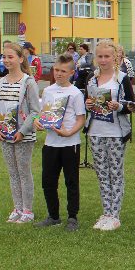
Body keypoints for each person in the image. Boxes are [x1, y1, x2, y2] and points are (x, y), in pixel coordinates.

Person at [85, 40, 135, 231]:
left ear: (114, 57)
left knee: (115, 172)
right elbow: (87, 102)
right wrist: (88, 104)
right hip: (95, 131)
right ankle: (106, 212)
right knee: (102, 173)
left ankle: (115, 215)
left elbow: (131, 105)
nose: (103, 60)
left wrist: (119, 106)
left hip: (115, 132)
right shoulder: (91, 78)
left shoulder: (121, 78)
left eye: (107, 56)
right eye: (100, 56)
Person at [33, 55, 86, 231]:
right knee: (48, 181)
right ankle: (53, 216)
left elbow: (81, 119)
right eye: (56, 70)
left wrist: (69, 132)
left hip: (70, 144)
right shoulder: (48, 91)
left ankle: (72, 217)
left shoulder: (75, 93)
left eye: (63, 71)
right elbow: (43, 113)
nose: (59, 74)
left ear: (71, 73)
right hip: (51, 144)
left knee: (71, 181)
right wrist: (38, 121)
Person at [0, 42, 41, 224]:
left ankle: (27, 210)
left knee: (23, 172)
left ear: (21, 59)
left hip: (23, 136)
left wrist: (22, 131)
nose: (6, 60)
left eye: (10, 57)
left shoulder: (28, 83)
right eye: (4, 57)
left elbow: (35, 111)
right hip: (5, 135)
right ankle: (17, 207)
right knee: (12, 172)